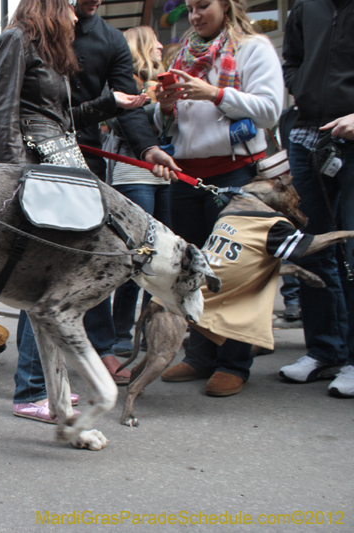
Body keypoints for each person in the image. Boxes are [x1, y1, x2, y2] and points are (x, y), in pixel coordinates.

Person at [0, 0, 148, 422]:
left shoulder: (45, 53)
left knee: (52, 281)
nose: (77, 17)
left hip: (56, 172)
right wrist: (16, 181)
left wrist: (110, 104)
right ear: (50, 8)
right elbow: (1, 115)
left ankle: (45, 385)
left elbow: (59, 121)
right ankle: (32, 388)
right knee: (41, 281)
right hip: (36, 178)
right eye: (69, 8)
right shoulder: (15, 41)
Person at [156, 0, 284, 396]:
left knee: (234, 273)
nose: (195, 16)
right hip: (186, 175)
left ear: (226, 6)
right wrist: (163, 109)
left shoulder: (253, 48)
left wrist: (215, 93)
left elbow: (270, 110)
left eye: (203, 6)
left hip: (235, 175)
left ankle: (234, 362)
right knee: (189, 269)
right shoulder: (183, 52)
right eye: (190, 9)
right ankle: (199, 355)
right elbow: (170, 125)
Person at [71, 0, 180, 380]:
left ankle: (100, 347)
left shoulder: (109, 39)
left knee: (97, 251)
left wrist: (148, 148)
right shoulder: (33, 28)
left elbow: (127, 103)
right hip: (28, 152)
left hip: (84, 158)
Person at [276, 0, 354, 398]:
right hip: (309, 135)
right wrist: (303, 86)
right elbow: (292, 59)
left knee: (351, 250)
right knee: (309, 249)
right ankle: (325, 351)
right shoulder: (307, 7)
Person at [105, 26, 171, 357]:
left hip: (167, 177)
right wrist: (156, 109)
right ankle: (120, 333)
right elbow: (120, 121)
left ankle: (149, 330)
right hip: (133, 174)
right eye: (154, 40)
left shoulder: (165, 82)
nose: (161, 45)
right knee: (137, 259)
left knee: (160, 259)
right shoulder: (123, 80)